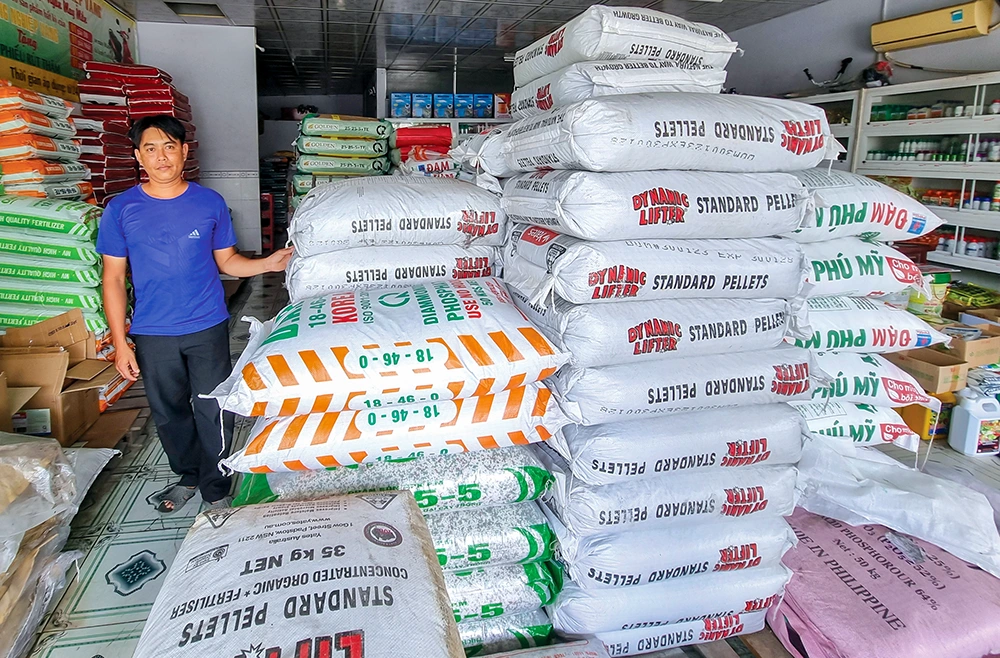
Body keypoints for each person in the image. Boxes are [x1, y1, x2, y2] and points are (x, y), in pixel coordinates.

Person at [98, 115, 292, 513]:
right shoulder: (121, 210)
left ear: (184, 152)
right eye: (150, 149)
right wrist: (121, 343)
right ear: (138, 156)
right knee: (169, 412)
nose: (161, 157)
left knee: (213, 406)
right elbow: (113, 279)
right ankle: (188, 475)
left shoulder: (209, 203)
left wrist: (268, 264)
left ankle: (216, 486)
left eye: (169, 147)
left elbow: (228, 262)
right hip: (153, 331)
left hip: (207, 324)